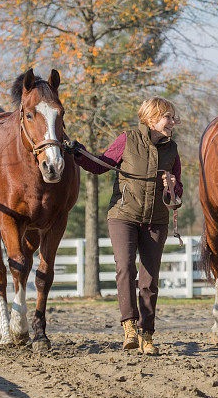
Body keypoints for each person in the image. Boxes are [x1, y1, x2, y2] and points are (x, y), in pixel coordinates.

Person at [74, 97, 182, 355]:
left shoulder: (172, 148)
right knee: (125, 267)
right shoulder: (128, 139)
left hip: (156, 219)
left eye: (173, 117)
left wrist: (172, 187)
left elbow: (177, 192)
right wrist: (77, 152)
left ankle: (147, 334)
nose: (173, 122)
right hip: (123, 214)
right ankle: (130, 326)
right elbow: (100, 165)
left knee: (149, 279)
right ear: (152, 117)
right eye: (168, 116)